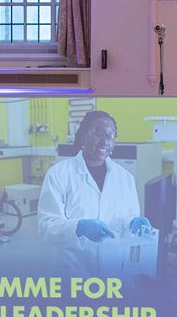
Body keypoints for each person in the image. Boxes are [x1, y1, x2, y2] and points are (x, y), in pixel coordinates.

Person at [37, 109, 152, 273]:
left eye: (111, 136)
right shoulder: (59, 174)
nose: (105, 141)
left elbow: (128, 219)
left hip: (115, 269)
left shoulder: (125, 178)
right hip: (74, 270)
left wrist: (133, 224)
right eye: (99, 133)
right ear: (84, 135)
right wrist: (78, 227)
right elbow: (46, 226)